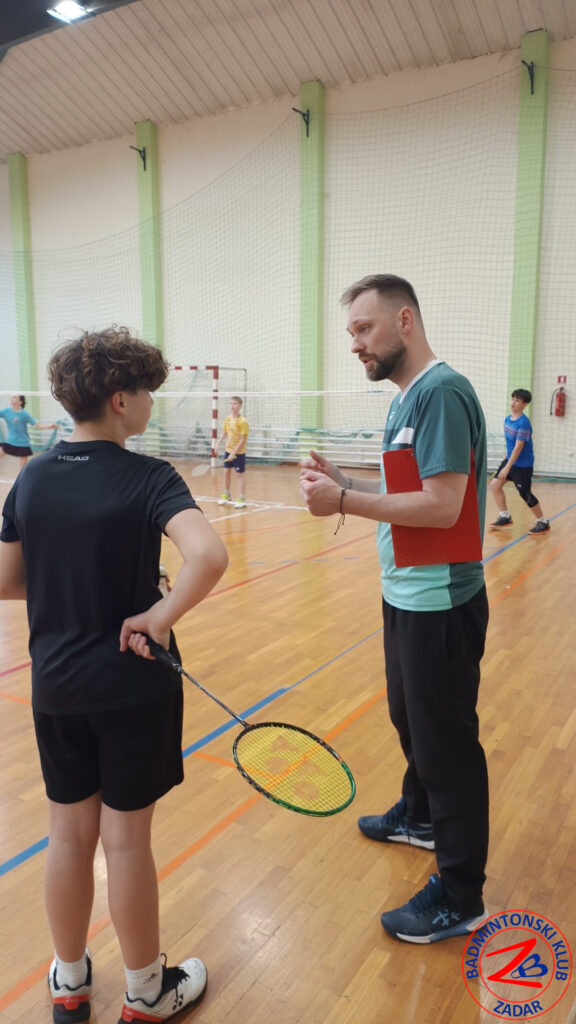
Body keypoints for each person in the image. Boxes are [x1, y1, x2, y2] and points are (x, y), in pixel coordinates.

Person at [0, 328, 228, 1023]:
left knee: (68, 836)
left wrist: (72, 584)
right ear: (120, 400)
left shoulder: (32, 477)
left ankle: (69, 983)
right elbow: (208, 557)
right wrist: (157, 616)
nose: (153, 404)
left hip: (57, 689)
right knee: (125, 841)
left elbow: (6, 581)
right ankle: (146, 992)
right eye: (148, 393)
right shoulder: (149, 476)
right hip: (134, 690)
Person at [300, 274, 490, 944]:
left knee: (447, 747)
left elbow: (442, 506)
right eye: (350, 331)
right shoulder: (407, 398)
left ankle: (461, 895)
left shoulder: (442, 392)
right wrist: (345, 481)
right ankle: (420, 815)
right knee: (409, 719)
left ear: (404, 320)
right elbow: (407, 489)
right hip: (405, 591)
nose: (355, 343)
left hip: (441, 602)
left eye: (364, 328)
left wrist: (342, 502)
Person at [490, 388, 550, 535]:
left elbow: (518, 448)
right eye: (513, 399)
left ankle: (542, 521)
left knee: (525, 493)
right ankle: (505, 517)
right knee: (495, 485)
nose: (513, 402)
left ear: (524, 404)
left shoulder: (523, 423)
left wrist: (507, 467)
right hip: (510, 460)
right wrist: (506, 460)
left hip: (523, 464)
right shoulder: (507, 420)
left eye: (517, 400)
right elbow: (510, 445)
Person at [0, 394, 58, 470]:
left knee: (23, 469)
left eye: (15, 397)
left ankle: (22, 478)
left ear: (20, 402)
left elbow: (37, 426)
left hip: (23, 443)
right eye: (12, 397)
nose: (12, 398)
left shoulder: (25, 414)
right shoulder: (6, 411)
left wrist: (49, 426)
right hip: (11, 441)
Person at [214, 396, 249, 508]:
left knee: (240, 475)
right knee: (226, 472)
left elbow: (243, 440)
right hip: (228, 450)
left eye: (234, 403)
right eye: (230, 403)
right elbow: (224, 433)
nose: (232, 406)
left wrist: (234, 453)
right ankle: (227, 494)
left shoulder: (243, 422)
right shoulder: (228, 419)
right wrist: (217, 444)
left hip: (239, 453)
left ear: (240, 406)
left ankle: (242, 498)